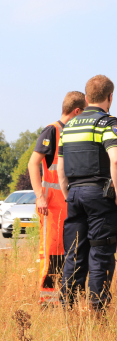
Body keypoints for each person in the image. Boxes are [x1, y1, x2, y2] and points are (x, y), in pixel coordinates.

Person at [57, 75, 117, 310]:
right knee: (101, 251)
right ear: (109, 97)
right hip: (99, 196)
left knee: (74, 253)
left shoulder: (69, 125)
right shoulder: (108, 123)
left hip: (73, 195)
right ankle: (96, 309)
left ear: (87, 96)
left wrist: (67, 195)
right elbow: (115, 161)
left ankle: (67, 306)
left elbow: (60, 168)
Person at [28, 91, 86, 306]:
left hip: (68, 204)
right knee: (52, 255)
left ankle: (64, 300)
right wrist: (39, 196)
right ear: (77, 111)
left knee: (69, 253)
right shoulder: (52, 130)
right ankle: (48, 303)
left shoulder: (71, 132)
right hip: (51, 205)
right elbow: (33, 163)